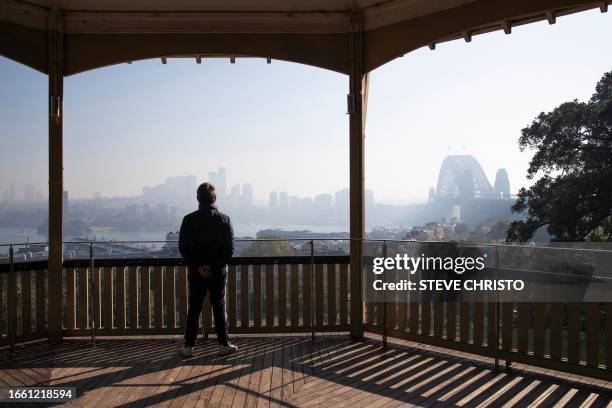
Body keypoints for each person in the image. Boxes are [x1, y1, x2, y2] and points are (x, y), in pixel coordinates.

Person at [178, 182, 237, 357]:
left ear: (198, 198)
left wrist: (198, 266)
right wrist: (213, 267)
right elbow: (229, 249)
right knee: (219, 306)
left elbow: (183, 247)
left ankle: (188, 346)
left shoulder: (188, 220)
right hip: (217, 272)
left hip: (196, 273)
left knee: (194, 307)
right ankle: (223, 344)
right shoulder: (224, 220)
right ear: (214, 198)